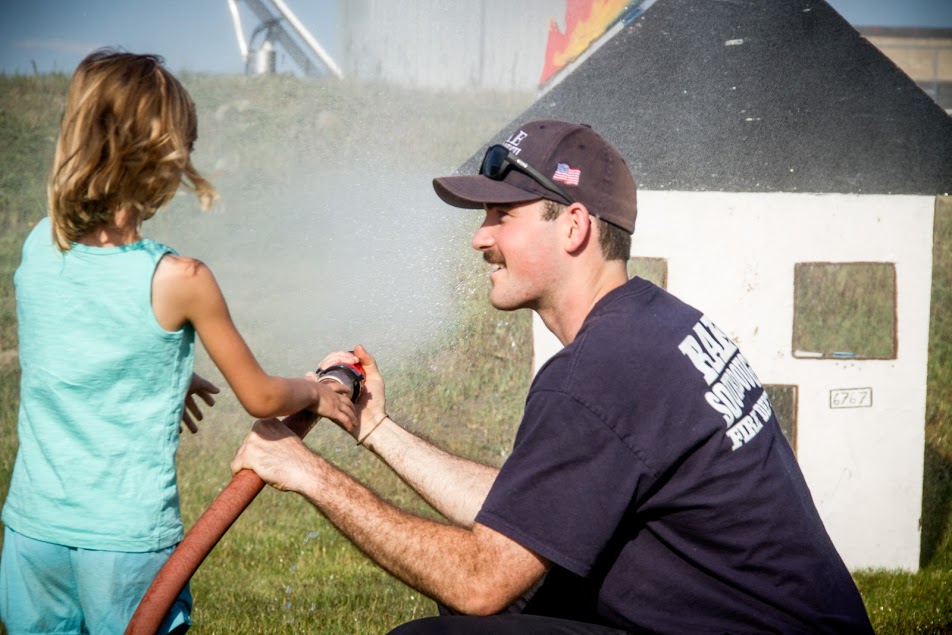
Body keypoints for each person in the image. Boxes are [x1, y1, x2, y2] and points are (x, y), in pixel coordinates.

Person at [231, 120, 874, 633]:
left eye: (501, 216)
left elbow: (480, 581)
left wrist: (309, 474)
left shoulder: (599, 373)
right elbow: (528, 514)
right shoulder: (653, 323)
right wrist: (376, 429)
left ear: (573, 225)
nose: (480, 239)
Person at [0, 49, 356, 635]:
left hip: (32, 533)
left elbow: (70, 345)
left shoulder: (40, 244)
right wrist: (314, 392)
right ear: (164, 159)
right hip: (124, 544)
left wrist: (158, 370)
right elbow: (262, 397)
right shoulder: (181, 279)